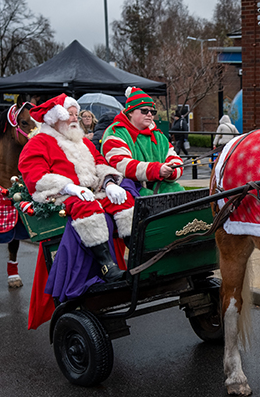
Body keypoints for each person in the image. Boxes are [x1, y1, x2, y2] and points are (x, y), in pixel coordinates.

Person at [18, 93, 133, 283]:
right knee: (87, 206)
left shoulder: (83, 142)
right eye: (69, 114)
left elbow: (99, 162)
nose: (74, 119)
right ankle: (107, 265)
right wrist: (69, 187)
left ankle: (137, 257)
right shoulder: (39, 142)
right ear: (55, 118)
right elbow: (35, 176)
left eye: (75, 114)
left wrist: (110, 183)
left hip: (92, 191)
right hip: (60, 196)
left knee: (124, 201)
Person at [101, 87, 184, 196]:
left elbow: (175, 159)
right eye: (144, 111)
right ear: (130, 112)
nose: (149, 114)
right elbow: (121, 164)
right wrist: (156, 170)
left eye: (152, 111)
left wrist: (171, 171)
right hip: (126, 187)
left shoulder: (158, 135)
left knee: (180, 195)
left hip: (158, 185)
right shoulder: (115, 132)